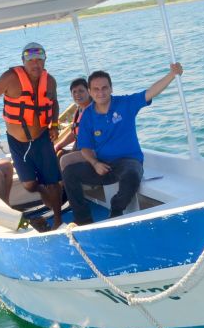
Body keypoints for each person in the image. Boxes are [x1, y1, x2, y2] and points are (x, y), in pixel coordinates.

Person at [62, 63, 184, 225]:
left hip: (128, 161)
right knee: (69, 172)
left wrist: (172, 74)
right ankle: (83, 220)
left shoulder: (125, 104)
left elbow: (150, 92)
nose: (101, 92)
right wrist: (95, 163)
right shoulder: (87, 116)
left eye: (105, 88)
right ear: (90, 92)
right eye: (96, 89)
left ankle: (116, 210)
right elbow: (85, 148)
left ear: (111, 89)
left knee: (132, 174)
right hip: (102, 163)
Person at [0, 42, 64, 229]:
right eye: (30, 60)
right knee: (29, 184)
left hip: (41, 138)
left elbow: (54, 103)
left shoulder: (50, 81)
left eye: (39, 60)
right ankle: (44, 193)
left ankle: (58, 220)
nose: (35, 64)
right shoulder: (10, 78)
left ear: (44, 60)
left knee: (53, 182)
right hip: (17, 141)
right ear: (23, 61)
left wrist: (55, 124)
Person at [54, 77, 92, 170]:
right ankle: (60, 183)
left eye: (81, 91)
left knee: (62, 158)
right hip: (78, 148)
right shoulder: (79, 110)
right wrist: (59, 146)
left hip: (90, 152)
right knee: (57, 153)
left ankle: (63, 183)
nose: (77, 94)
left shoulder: (93, 111)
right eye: (74, 92)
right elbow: (75, 133)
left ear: (89, 91)